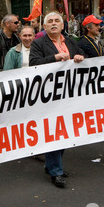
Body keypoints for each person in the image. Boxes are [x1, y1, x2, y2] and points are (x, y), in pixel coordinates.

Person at [29, 12, 85, 188]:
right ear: (44, 27)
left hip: (69, 94)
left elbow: (86, 59)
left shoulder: (71, 42)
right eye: (50, 22)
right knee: (54, 131)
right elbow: (34, 64)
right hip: (49, 95)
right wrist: (54, 58)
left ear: (63, 25)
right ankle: (56, 171)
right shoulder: (38, 43)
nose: (53, 24)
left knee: (66, 130)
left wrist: (80, 58)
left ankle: (51, 164)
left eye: (57, 21)